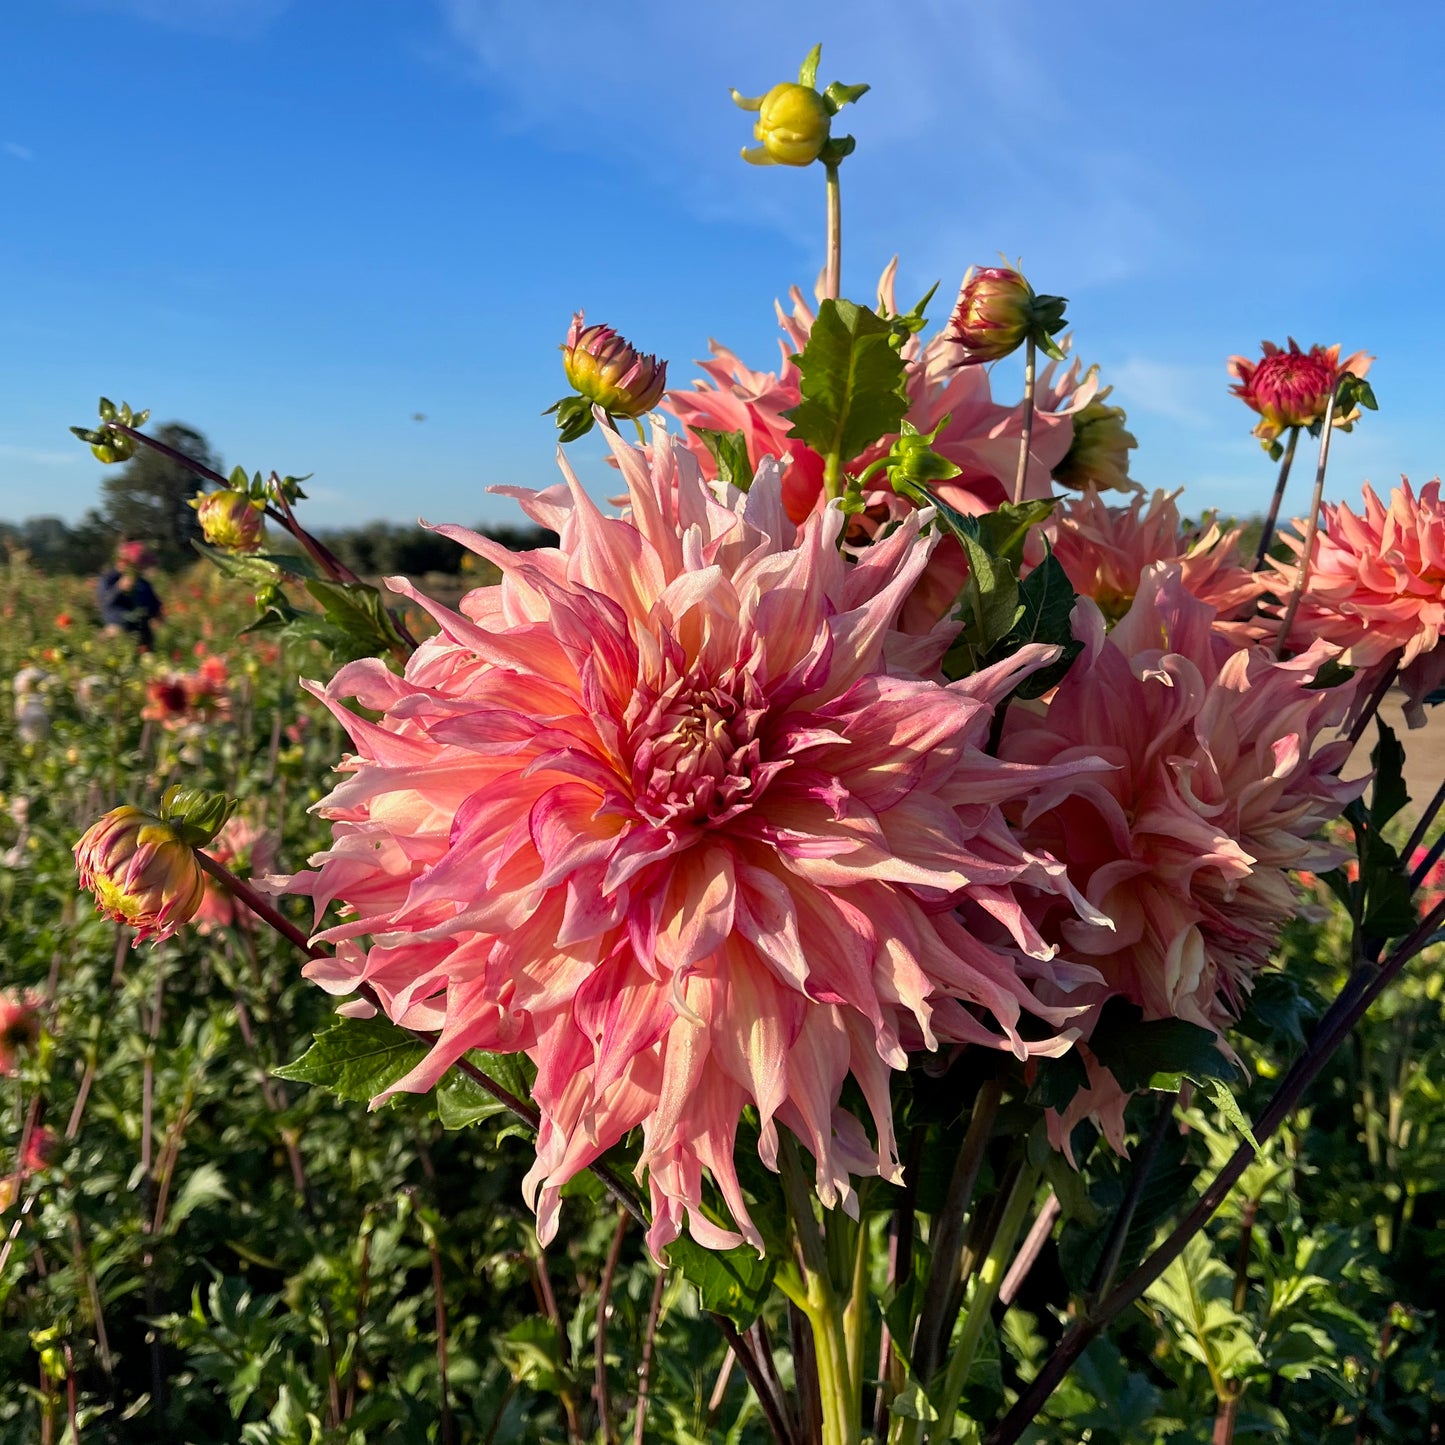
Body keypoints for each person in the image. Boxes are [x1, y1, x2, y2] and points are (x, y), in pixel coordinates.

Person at [97, 541, 163, 650]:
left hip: (141, 632)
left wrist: (157, 614)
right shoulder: (109, 579)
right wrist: (119, 588)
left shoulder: (142, 582)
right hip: (118, 628)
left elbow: (153, 603)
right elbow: (104, 602)